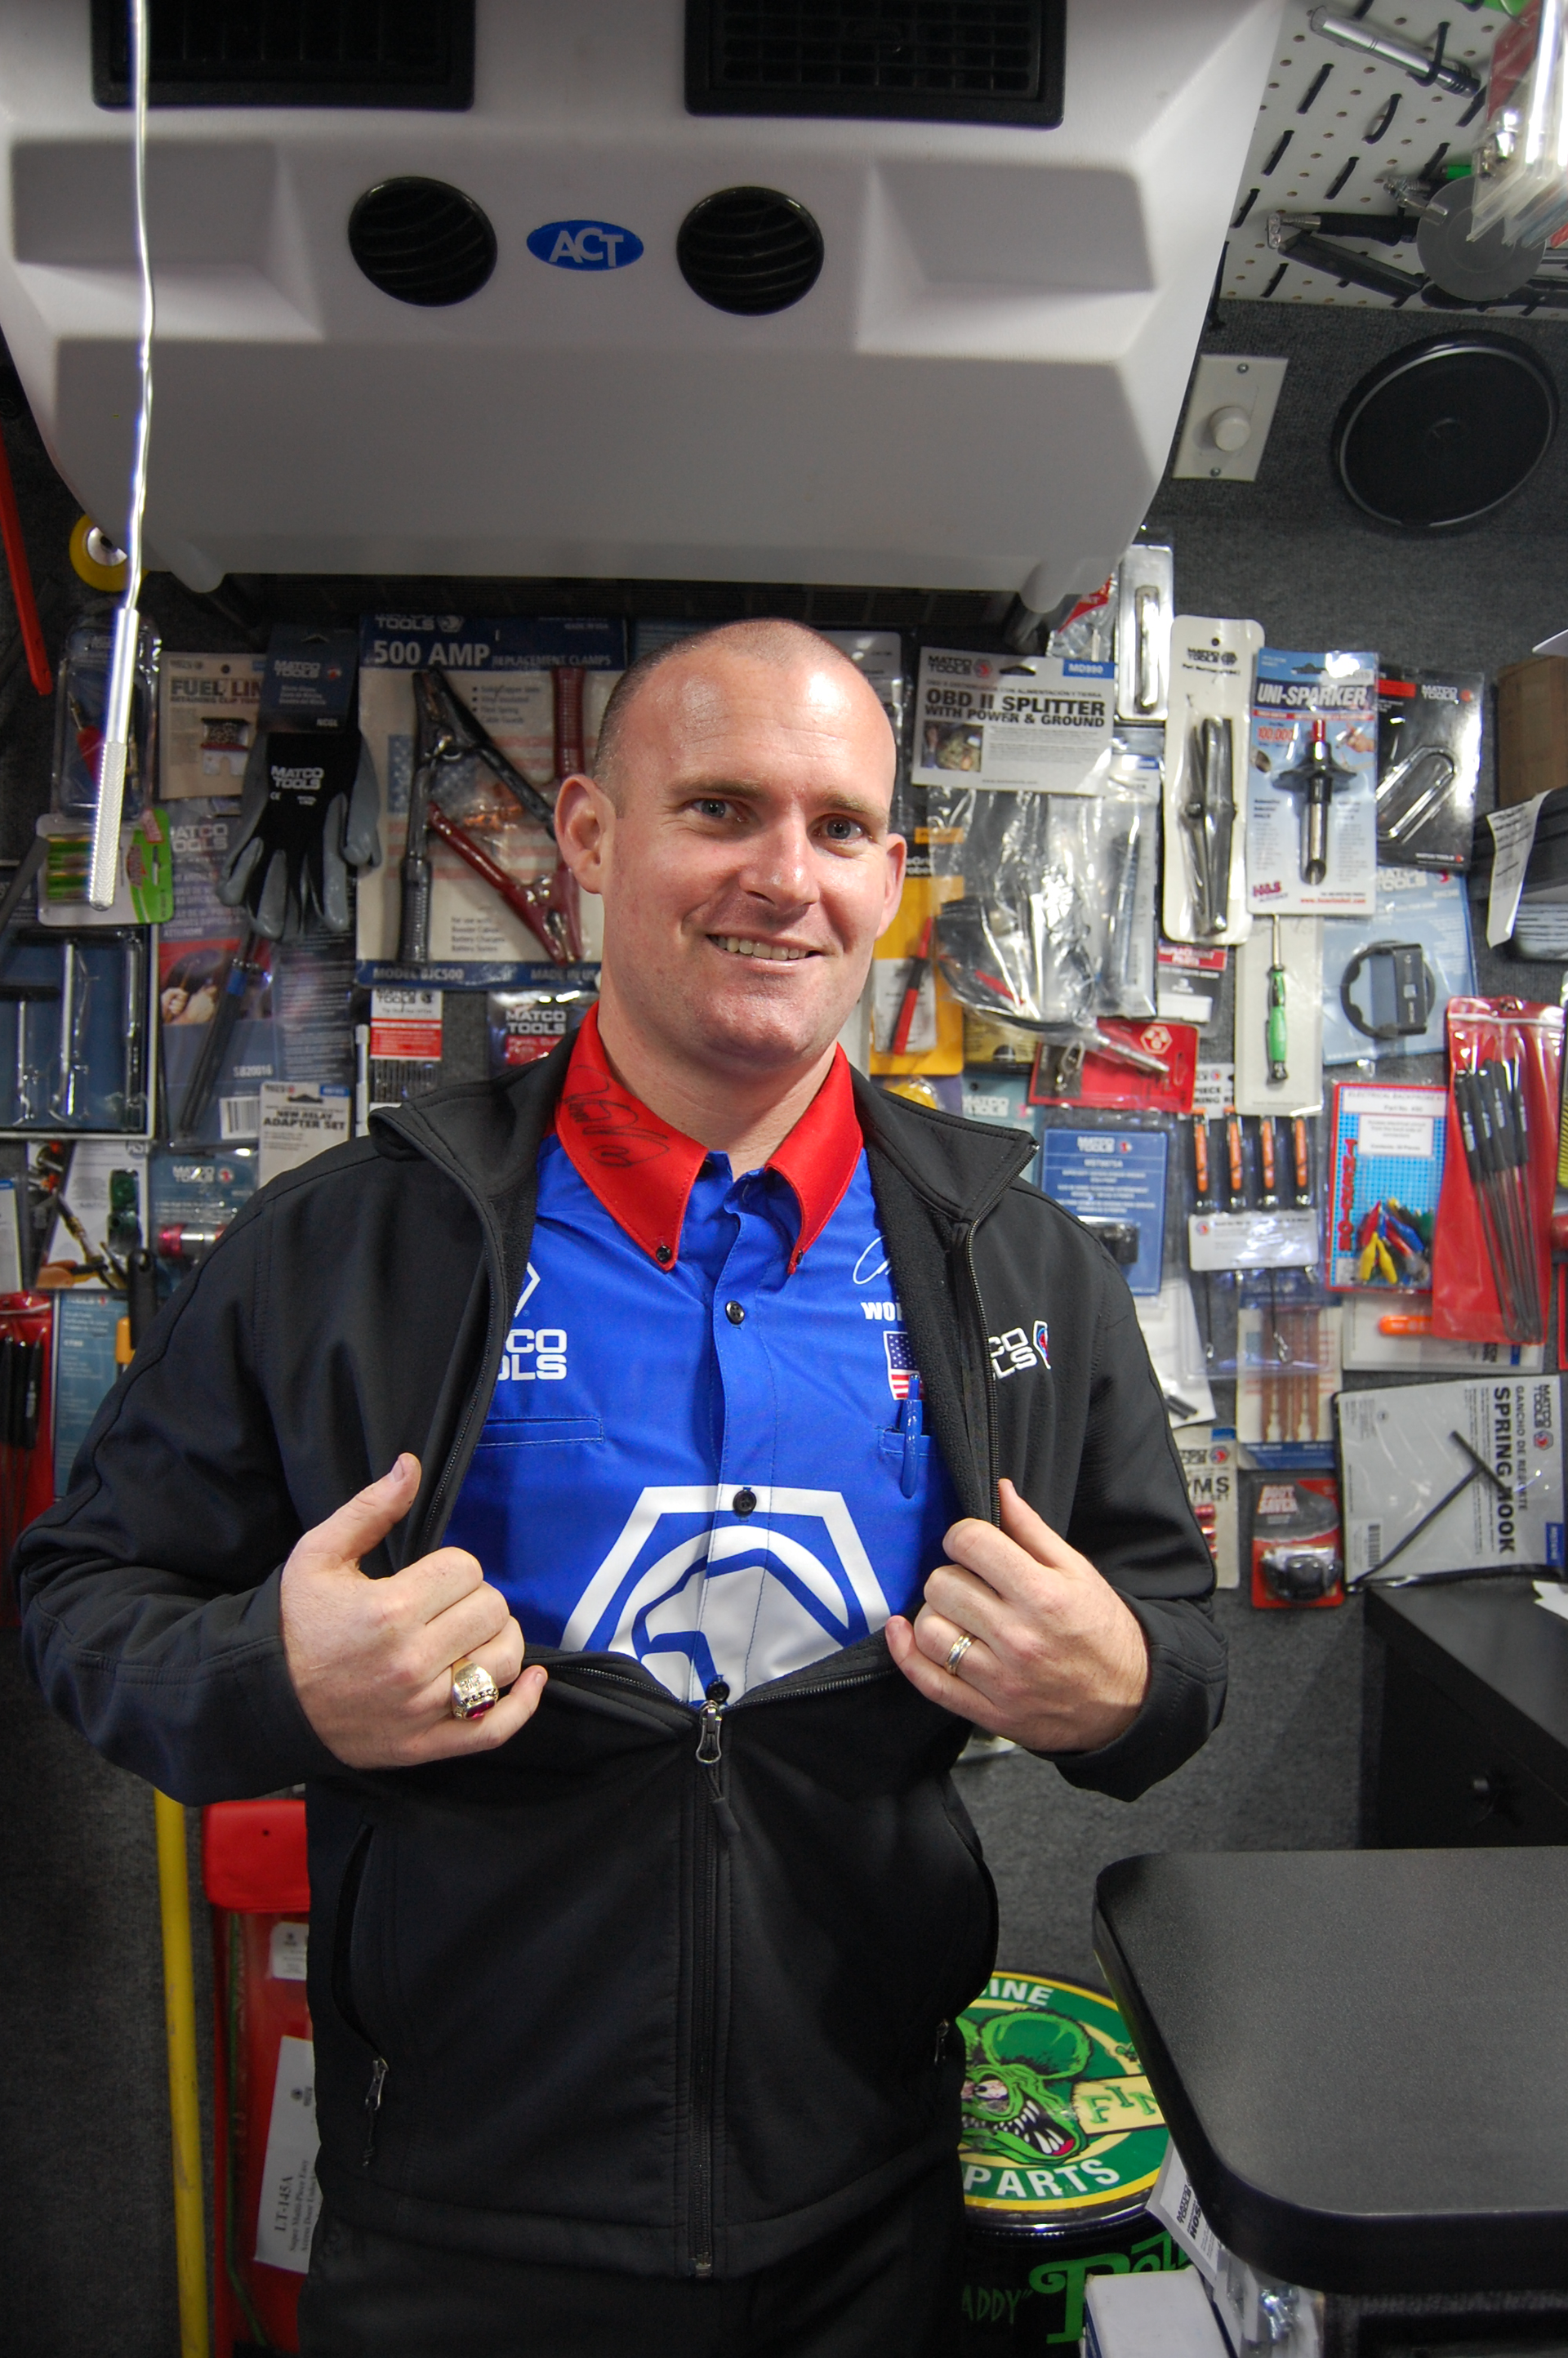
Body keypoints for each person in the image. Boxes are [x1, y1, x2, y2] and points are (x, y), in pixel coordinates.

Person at [17, 621, 1224, 2358]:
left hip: (863, 2210)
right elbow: (82, 1600)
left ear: (892, 873)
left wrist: (1118, 1688)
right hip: (460, 2225)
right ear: (587, 838)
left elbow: (1177, 1660)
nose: (783, 878)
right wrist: (275, 1682)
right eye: (721, 808)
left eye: (838, 827)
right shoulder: (352, 1244)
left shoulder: (1020, 1267)